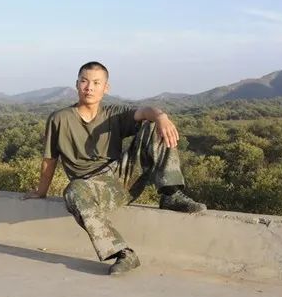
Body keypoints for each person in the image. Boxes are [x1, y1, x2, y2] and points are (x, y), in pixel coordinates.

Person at [22, 61, 206, 275]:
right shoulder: (59, 119)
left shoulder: (113, 114)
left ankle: (170, 194)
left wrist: (161, 117)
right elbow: (50, 158)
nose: (89, 87)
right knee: (72, 191)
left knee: (154, 125)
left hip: (123, 178)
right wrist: (41, 191)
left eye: (96, 83)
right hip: (91, 189)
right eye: (84, 81)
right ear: (77, 84)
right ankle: (123, 253)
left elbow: (145, 111)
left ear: (105, 88)